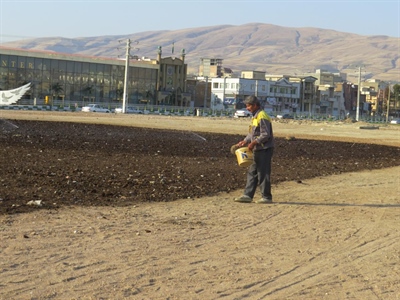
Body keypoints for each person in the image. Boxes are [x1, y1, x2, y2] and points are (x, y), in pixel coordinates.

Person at [233, 95, 275, 204]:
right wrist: (245, 141)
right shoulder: (255, 116)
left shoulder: (262, 116)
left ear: (255, 105)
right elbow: (252, 133)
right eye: (246, 106)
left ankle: (266, 197)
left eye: (249, 105)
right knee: (252, 172)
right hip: (256, 149)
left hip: (264, 149)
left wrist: (254, 143)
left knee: (263, 173)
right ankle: (247, 195)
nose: (247, 108)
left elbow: (265, 135)